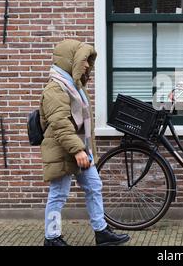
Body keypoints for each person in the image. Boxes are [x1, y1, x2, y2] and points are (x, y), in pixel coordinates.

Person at [39, 39, 130, 246]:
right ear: (71, 60)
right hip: (64, 150)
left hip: (79, 148)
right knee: (59, 194)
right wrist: (79, 150)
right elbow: (60, 124)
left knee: (94, 186)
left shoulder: (73, 86)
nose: (87, 65)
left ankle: (101, 232)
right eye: (84, 60)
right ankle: (52, 238)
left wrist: (83, 149)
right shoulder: (55, 89)